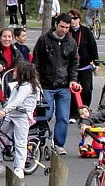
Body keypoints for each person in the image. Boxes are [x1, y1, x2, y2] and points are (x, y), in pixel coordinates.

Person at [32, 13, 78, 155]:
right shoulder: (44, 40)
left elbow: (74, 64)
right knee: (45, 114)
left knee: (63, 117)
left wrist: (73, 79)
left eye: (67, 27)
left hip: (64, 86)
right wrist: (36, 81)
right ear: (56, 24)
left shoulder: (71, 43)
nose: (64, 30)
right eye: (62, 26)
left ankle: (58, 144)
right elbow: (36, 62)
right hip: (46, 85)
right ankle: (41, 140)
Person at [0, 61, 42, 179]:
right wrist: (4, 108)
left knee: (20, 142)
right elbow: (10, 100)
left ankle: (19, 168)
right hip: (11, 114)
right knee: (0, 135)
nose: (14, 72)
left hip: (22, 116)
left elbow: (17, 101)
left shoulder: (27, 87)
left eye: (16, 70)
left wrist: (5, 111)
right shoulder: (18, 85)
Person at [67, 9, 99, 116]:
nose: (72, 21)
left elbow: (93, 47)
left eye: (75, 18)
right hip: (71, 67)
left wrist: (96, 62)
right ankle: (73, 113)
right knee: (73, 90)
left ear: (79, 19)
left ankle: (85, 110)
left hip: (85, 66)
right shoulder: (67, 31)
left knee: (86, 90)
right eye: (70, 18)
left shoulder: (86, 31)